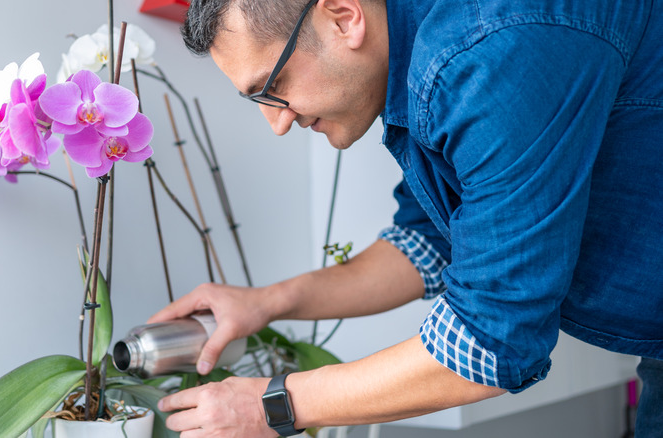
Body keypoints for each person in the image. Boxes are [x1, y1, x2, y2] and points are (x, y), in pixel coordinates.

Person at [148, 0, 663, 436]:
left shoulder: (484, 53)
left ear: (344, 18)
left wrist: (271, 406)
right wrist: (266, 303)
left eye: (274, 84)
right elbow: (429, 244)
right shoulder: (427, 52)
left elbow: (491, 341)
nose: (278, 122)